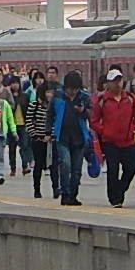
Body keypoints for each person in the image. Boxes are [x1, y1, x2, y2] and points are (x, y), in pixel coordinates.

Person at [90, 69, 135, 208]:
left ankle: (120, 189)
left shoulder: (131, 99)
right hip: (110, 142)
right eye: (114, 81)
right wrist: (105, 131)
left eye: (119, 80)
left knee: (131, 167)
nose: (118, 84)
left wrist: (134, 129)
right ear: (108, 83)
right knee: (113, 169)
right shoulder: (102, 101)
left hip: (128, 140)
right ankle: (114, 198)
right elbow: (94, 121)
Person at [51, 70, 94, 207]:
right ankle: (65, 192)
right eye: (70, 89)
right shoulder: (58, 96)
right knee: (65, 164)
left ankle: (73, 195)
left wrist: (84, 111)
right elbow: (49, 114)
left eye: (75, 89)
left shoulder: (84, 97)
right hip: (62, 137)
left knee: (76, 170)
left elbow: (93, 114)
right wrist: (48, 131)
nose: (73, 92)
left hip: (79, 138)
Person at [24, 74, 55, 200]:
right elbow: (29, 121)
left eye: (51, 92)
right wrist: (35, 135)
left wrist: (52, 136)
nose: (49, 94)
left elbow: (55, 121)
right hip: (38, 139)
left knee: (53, 166)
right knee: (38, 165)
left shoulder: (54, 106)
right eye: (47, 92)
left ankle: (55, 188)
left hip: (51, 140)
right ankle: (37, 189)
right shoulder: (35, 105)